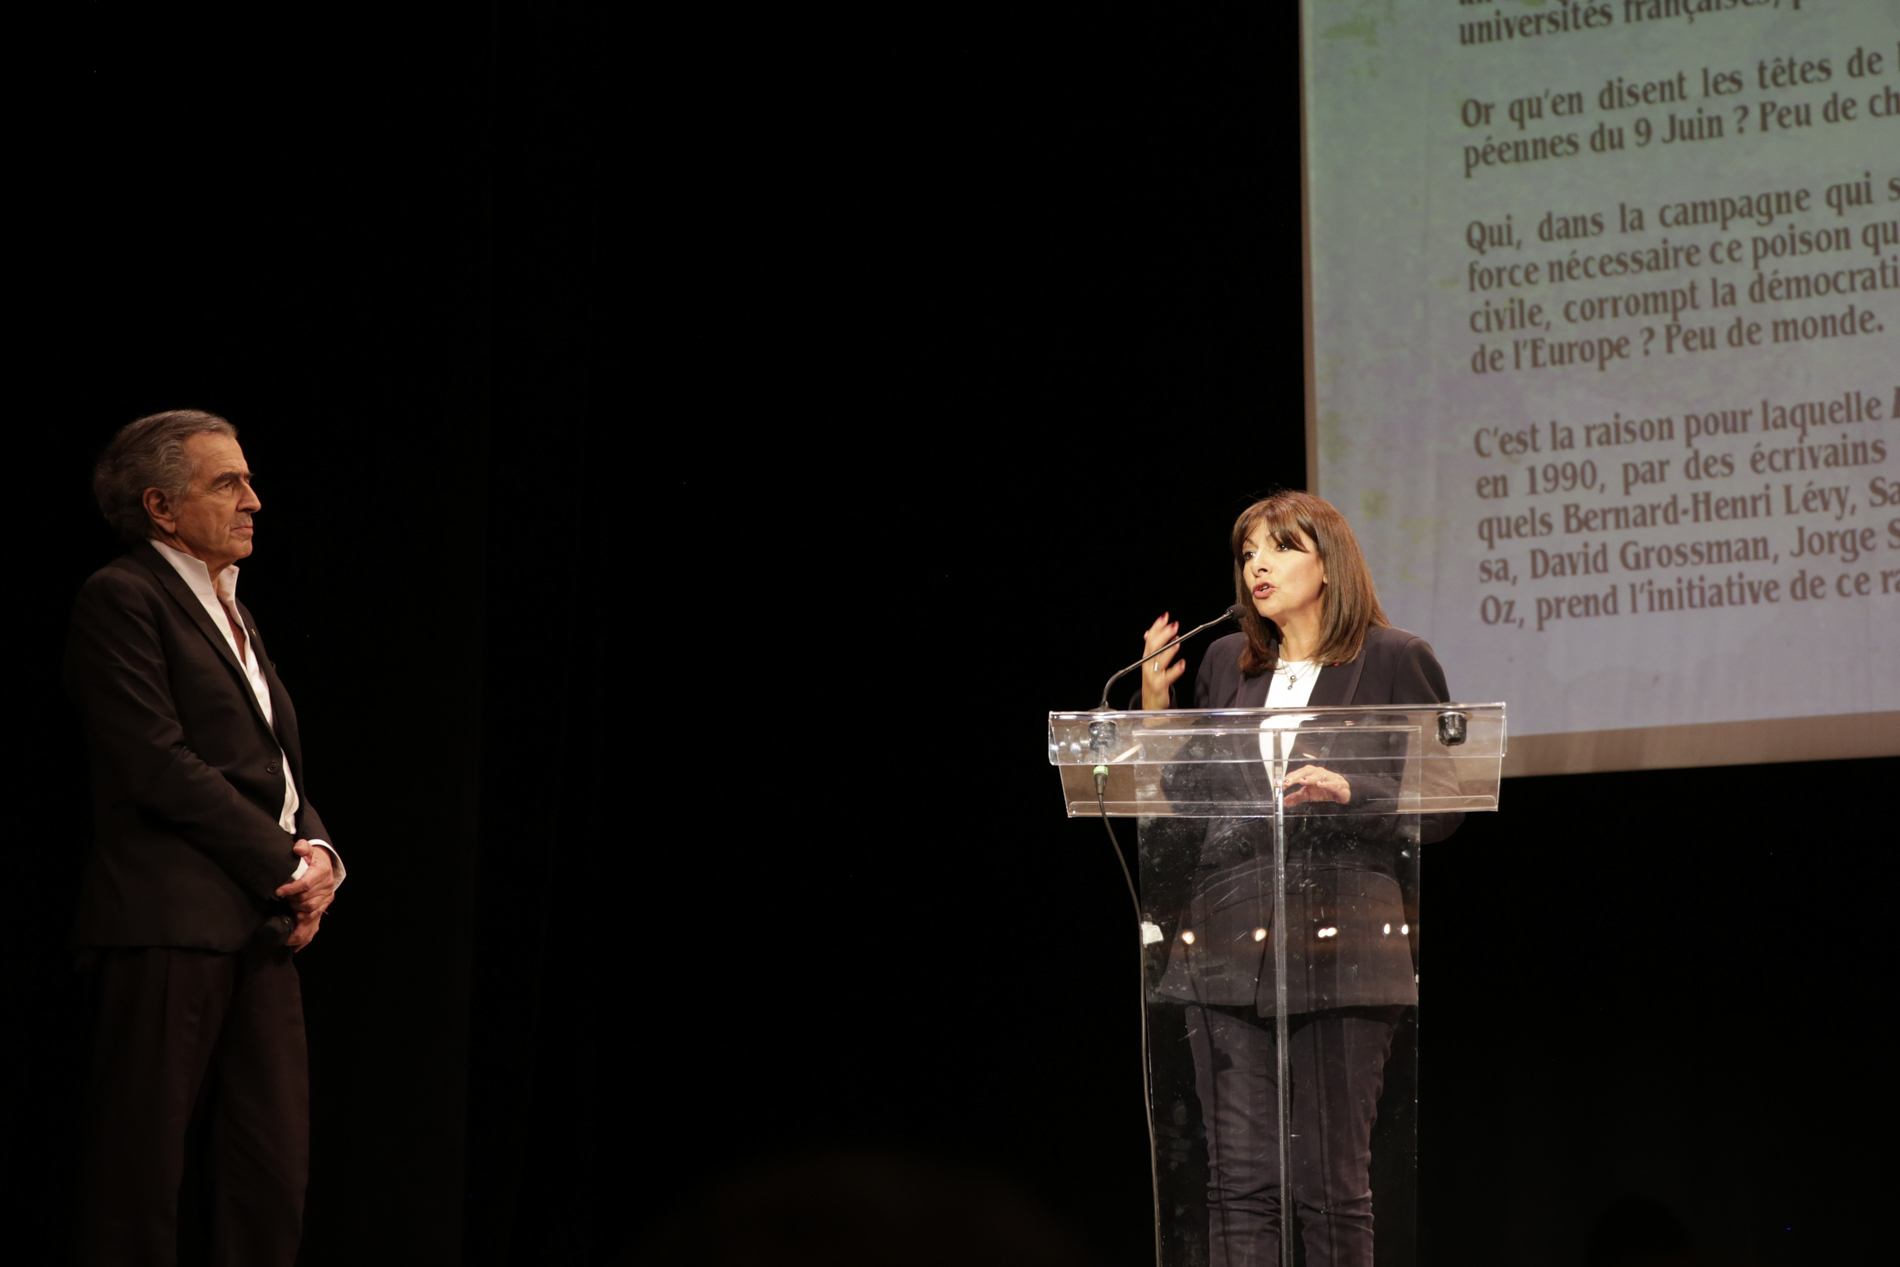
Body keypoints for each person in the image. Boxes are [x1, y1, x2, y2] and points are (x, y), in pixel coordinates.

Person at [1137, 490, 1457, 1267]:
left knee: (1329, 1188)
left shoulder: (1392, 657)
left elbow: (1444, 804)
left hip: (1342, 944)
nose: (1257, 566)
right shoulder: (1226, 664)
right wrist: (1154, 703)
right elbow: (1185, 797)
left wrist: (1352, 789)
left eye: (1279, 547)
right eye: (1248, 552)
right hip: (1222, 947)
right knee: (1237, 1187)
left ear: (1329, 564)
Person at [65, 409, 342, 1267]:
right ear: (161, 505)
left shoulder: (235, 612)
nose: (254, 500)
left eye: (249, 480)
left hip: (260, 929)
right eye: (228, 482)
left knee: (268, 1177)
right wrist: (280, 859)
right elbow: (157, 762)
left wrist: (322, 855)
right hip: (168, 923)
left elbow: (273, 763)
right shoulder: (123, 596)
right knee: (138, 1181)